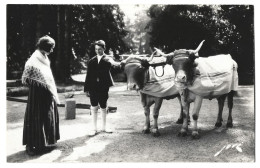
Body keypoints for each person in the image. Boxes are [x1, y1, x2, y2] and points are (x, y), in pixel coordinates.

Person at [21, 35, 60, 155]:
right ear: (45, 47)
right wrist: (38, 82)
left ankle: (43, 144)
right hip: (37, 93)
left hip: (46, 92)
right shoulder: (35, 57)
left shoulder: (44, 57)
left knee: (45, 116)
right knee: (35, 117)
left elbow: (47, 75)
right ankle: (31, 146)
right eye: (51, 47)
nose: (52, 50)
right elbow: (26, 75)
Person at [84, 40, 123, 136]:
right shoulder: (91, 60)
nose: (98, 51)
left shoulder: (107, 59)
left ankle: (104, 127)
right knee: (93, 106)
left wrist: (117, 63)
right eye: (96, 49)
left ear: (104, 49)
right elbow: (88, 75)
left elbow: (115, 64)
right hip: (93, 86)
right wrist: (86, 89)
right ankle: (94, 128)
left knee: (103, 105)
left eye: (100, 49)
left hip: (103, 86)